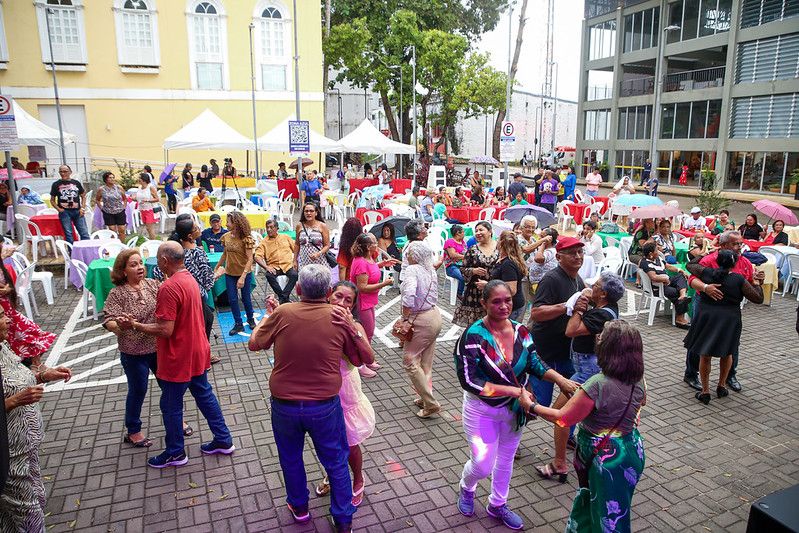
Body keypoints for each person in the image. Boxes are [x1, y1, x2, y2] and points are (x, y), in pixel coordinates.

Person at [248, 264, 372, 532]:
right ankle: (343, 519)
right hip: (324, 405)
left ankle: (300, 508)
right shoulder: (338, 318)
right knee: (336, 461)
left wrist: (267, 317)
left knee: (290, 458)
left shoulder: (284, 312)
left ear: (298, 288)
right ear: (328, 292)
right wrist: (352, 329)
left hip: (285, 405)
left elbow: (255, 343)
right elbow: (363, 358)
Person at [454, 280, 578, 530]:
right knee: (483, 463)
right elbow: (469, 381)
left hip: (514, 410)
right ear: (484, 303)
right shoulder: (473, 336)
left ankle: (497, 504)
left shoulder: (521, 331)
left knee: (506, 459)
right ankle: (467, 487)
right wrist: (515, 391)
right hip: (482, 410)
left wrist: (560, 380)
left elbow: (534, 363)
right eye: (496, 301)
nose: (504, 306)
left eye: (508, 300)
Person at [119, 242, 234, 468]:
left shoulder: (169, 287)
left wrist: (135, 325)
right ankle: (223, 438)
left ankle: (175, 452)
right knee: (204, 395)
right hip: (197, 350)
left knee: (170, 405)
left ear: (164, 261)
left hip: (178, 355)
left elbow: (165, 329)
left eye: (157, 259)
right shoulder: (189, 279)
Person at [531, 321, 646, 533]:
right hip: (631, 450)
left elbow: (562, 419)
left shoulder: (597, 384)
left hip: (606, 459)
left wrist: (530, 405)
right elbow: (642, 402)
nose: (597, 337)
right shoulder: (638, 378)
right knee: (613, 508)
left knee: (608, 521)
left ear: (609, 348)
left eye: (602, 336)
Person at [104, 249, 196, 447]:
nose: (139, 268)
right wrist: (119, 326)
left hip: (158, 347)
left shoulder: (153, 285)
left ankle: (177, 419)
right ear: (123, 270)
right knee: (138, 390)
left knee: (169, 387)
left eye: (140, 263)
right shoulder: (117, 293)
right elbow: (108, 320)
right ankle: (133, 430)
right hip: (133, 351)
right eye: (133, 265)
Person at [539, 271, 625, 483]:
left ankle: (560, 464)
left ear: (603, 294)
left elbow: (571, 330)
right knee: (583, 416)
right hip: (591, 368)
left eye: (595, 286)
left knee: (560, 416)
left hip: (587, 372)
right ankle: (581, 449)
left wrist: (578, 308)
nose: (590, 287)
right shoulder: (608, 307)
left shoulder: (601, 315)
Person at [0, 307, 71, 531]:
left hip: (26, 445)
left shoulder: (3, 346)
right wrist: (13, 401)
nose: (9, 319)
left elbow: (18, 378)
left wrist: (43, 375)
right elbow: (13, 395)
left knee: (28, 503)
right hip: (8, 455)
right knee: (29, 512)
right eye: (1, 316)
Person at [312, 281, 376, 508]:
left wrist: (350, 328)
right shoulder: (317, 319)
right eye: (338, 296)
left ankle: (358, 478)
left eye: (348, 300)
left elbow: (368, 357)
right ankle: (333, 475)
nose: (341, 303)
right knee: (326, 440)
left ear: (353, 306)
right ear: (329, 295)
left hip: (345, 390)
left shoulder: (354, 325)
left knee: (349, 442)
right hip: (321, 389)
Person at [529, 236, 586, 481]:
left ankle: (567, 436)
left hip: (567, 353)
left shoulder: (578, 279)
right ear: (559, 256)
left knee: (572, 400)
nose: (578, 257)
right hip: (545, 353)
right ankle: (511, 437)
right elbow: (536, 313)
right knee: (535, 403)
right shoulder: (551, 279)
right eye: (572, 253)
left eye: (580, 252)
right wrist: (565, 306)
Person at [684, 231, 761, 393]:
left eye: (740, 244)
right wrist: (706, 287)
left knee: (731, 346)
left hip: (729, 312)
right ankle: (691, 374)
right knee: (699, 344)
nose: (739, 247)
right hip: (706, 307)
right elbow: (691, 278)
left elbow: (749, 284)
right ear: (724, 245)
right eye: (735, 244)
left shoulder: (745, 262)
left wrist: (757, 280)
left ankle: (729, 377)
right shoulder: (709, 259)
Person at [153, 218, 220, 364]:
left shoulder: (175, 253)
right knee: (203, 324)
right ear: (190, 236)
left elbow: (157, 271)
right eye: (196, 228)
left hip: (177, 296)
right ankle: (202, 358)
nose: (199, 229)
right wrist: (218, 274)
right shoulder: (197, 253)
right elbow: (207, 282)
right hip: (195, 297)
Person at [400, 241, 443, 418]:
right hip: (434, 316)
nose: (407, 256)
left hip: (421, 319)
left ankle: (431, 403)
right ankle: (425, 397)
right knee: (425, 363)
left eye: (409, 253)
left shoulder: (412, 269)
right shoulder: (430, 269)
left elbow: (409, 295)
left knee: (410, 360)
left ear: (415, 255)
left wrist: (405, 318)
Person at [0, 258, 56, 368]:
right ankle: (33, 365)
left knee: (30, 332)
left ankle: (36, 364)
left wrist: (7, 289)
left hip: (8, 309)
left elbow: (12, 285)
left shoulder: (6, 267)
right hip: (5, 310)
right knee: (16, 337)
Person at [214, 212, 256, 335]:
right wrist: (217, 267)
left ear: (236, 223)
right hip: (230, 274)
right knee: (232, 299)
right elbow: (225, 254)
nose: (226, 224)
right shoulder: (226, 237)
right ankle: (238, 324)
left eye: (228, 222)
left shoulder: (246, 239)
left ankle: (250, 319)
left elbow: (250, 259)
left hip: (245, 273)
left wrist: (243, 277)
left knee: (246, 298)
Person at [349, 233, 395, 344]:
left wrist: (380, 264)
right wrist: (384, 284)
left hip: (368, 301)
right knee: (367, 332)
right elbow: (362, 287)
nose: (377, 244)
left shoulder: (368, 257)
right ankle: (364, 354)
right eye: (375, 242)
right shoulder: (361, 262)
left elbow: (369, 268)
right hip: (362, 302)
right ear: (368, 247)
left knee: (369, 330)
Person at [453, 221, 499, 327]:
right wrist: (473, 271)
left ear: (490, 232)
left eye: (481, 230)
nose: (478, 233)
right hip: (475, 293)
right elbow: (463, 268)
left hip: (494, 290)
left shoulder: (499, 248)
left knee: (493, 324)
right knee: (475, 326)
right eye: (476, 231)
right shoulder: (472, 249)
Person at [638, 242, 691, 327]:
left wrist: (680, 270)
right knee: (675, 292)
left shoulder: (658, 258)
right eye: (656, 250)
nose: (658, 251)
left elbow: (668, 266)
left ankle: (683, 295)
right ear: (651, 254)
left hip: (666, 282)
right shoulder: (645, 263)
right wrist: (664, 279)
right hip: (657, 287)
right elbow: (653, 277)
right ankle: (680, 318)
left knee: (680, 277)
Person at [481, 231, 528, 322]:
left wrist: (487, 285)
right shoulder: (505, 259)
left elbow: (512, 290)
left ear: (501, 243)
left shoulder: (508, 264)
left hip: (510, 308)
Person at [255, 219, 297, 305]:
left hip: (287, 265)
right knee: (269, 275)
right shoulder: (264, 242)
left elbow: (296, 249)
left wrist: (295, 261)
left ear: (277, 228)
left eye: (271, 227)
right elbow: (257, 257)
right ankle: (284, 298)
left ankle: (283, 298)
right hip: (274, 267)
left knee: (295, 275)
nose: (269, 230)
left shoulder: (285, 237)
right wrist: (266, 267)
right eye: (267, 228)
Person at [50, 164, 90, 244]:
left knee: (84, 233)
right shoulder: (56, 184)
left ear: (70, 172)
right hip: (65, 212)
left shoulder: (76, 183)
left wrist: (82, 208)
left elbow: (83, 196)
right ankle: (71, 250)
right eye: (61, 172)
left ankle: (86, 249)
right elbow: (52, 200)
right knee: (68, 234)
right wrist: (59, 209)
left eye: (65, 171)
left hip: (77, 211)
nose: (63, 173)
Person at [295, 203, 331, 270]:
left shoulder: (322, 226)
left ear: (316, 213)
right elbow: (297, 244)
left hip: (320, 261)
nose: (308, 213)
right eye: (306, 211)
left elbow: (327, 245)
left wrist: (318, 254)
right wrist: (294, 260)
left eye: (311, 211)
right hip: (304, 262)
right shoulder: (299, 226)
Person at [95, 171, 127, 240]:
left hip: (120, 211)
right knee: (112, 230)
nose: (112, 179)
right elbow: (97, 200)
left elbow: (124, 198)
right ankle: (113, 244)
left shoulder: (119, 187)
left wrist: (124, 207)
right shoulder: (101, 189)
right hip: (108, 212)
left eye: (113, 177)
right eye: (110, 178)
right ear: (105, 179)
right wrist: (102, 209)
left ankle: (122, 244)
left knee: (122, 229)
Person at [336, 217, 362, 282]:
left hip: (351, 281)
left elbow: (342, 267)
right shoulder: (365, 242)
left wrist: (342, 284)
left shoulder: (345, 247)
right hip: (366, 279)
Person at [135, 173, 160, 240]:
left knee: (149, 228)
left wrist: (148, 200)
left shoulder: (150, 187)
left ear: (144, 179)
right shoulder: (139, 187)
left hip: (150, 209)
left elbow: (157, 199)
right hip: (142, 209)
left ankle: (153, 242)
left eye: (139, 178)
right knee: (147, 228)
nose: (138, 179)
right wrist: (134, 198)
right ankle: (151, 241)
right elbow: (138, 198)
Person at [444, 225, 467, 298]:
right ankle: (459, 293)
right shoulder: (450, 242)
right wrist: (465, 257)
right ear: (458, 233)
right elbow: (452, 255)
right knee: (462, 276)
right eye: (463, 232)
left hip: (462, 265)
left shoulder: (463, 242)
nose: (464, 233)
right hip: (451, 266)